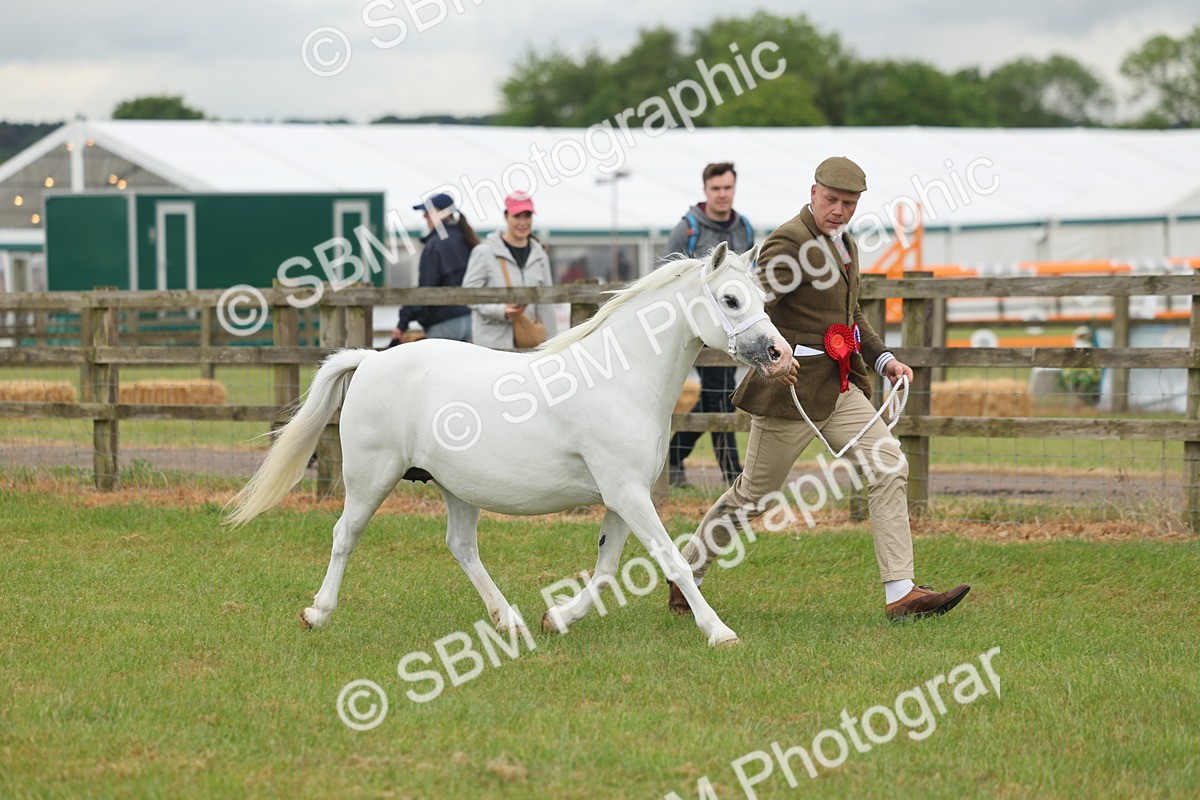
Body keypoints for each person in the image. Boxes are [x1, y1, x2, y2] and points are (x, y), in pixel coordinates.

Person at [668, 156, 971, 622]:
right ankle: (687, 571)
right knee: (754, 497)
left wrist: (884, 359)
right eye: (832, 200)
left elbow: (850, 316)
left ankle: (901, 592)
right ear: (813, 193)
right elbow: (753, 310)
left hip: (841, 387)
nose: (840, 210)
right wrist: (772, 360)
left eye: (849, 204)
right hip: (789, 393)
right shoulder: (789, 241)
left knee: (888, 465)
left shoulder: (845, 243)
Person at [661, 162, 755, 488]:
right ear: (705, 190)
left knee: (717, 394)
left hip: (731, 329)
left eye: (727, 188)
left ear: (734, 188)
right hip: (693, 331)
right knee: (720, 394)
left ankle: (672, 458)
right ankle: (734, 476)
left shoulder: (744, 228)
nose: (722, 195)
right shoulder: (687, 229)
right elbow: (667, 280)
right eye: (716, 189)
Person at [462, 191, 557, 349]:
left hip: (529, 342)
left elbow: (546, 303)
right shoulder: (485, 251)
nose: (523, 222)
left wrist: (553, 343)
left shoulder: (540, 255)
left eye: (527, 216)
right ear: (506, 216)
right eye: (517, 216)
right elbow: (468, 295)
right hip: (492, 345)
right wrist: (501, 310)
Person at [391, 193, 477, 344]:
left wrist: (402, 323)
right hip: (469, 321)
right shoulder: (468, 240)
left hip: (444, 323)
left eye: (429, 212)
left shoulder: (434, 245)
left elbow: (425, 290)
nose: (425, 216)